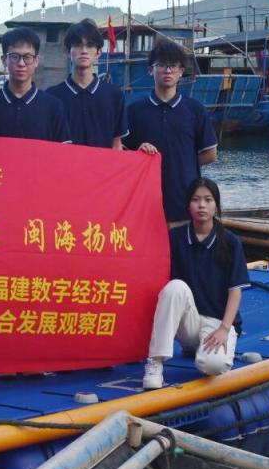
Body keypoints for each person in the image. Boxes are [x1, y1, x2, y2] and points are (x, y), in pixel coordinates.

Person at [143, 178, 249, 389]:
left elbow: (235, 291)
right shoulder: (175, 238)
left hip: (217, 323)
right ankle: (155, 362)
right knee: (175, 287)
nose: (202, 205)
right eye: (196, 200)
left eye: (208, 200)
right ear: (188, 205)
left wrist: (224, 328)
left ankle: (201, 349)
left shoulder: (230, 242)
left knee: (213, 365)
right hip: (188, 322)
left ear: (216, 205)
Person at [123, 39, 217, 225]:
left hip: (185, 203)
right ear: (151, 70)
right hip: (144, 203)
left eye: (173, 66)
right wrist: (139, 155)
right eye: (161, 65)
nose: (167, 71)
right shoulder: (134, 111)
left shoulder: (195, 110)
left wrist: (181, 162)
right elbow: (122, 154)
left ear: (181, 71)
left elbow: (210, 154)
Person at [0, 27, 71, 143]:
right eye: (14, 56)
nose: (21, 64)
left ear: (36, 61)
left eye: (27, 57)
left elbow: (63, 150)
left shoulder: (53, 107)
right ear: (4, 60)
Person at [46, 19, 128, 149]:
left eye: (90, 45)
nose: (84, 50)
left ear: (98, 52)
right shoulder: (51, 97)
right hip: (64, 162)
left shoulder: (114, 96)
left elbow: (117, 144)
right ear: (68, 51)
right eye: (78, 45)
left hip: (103, 163)